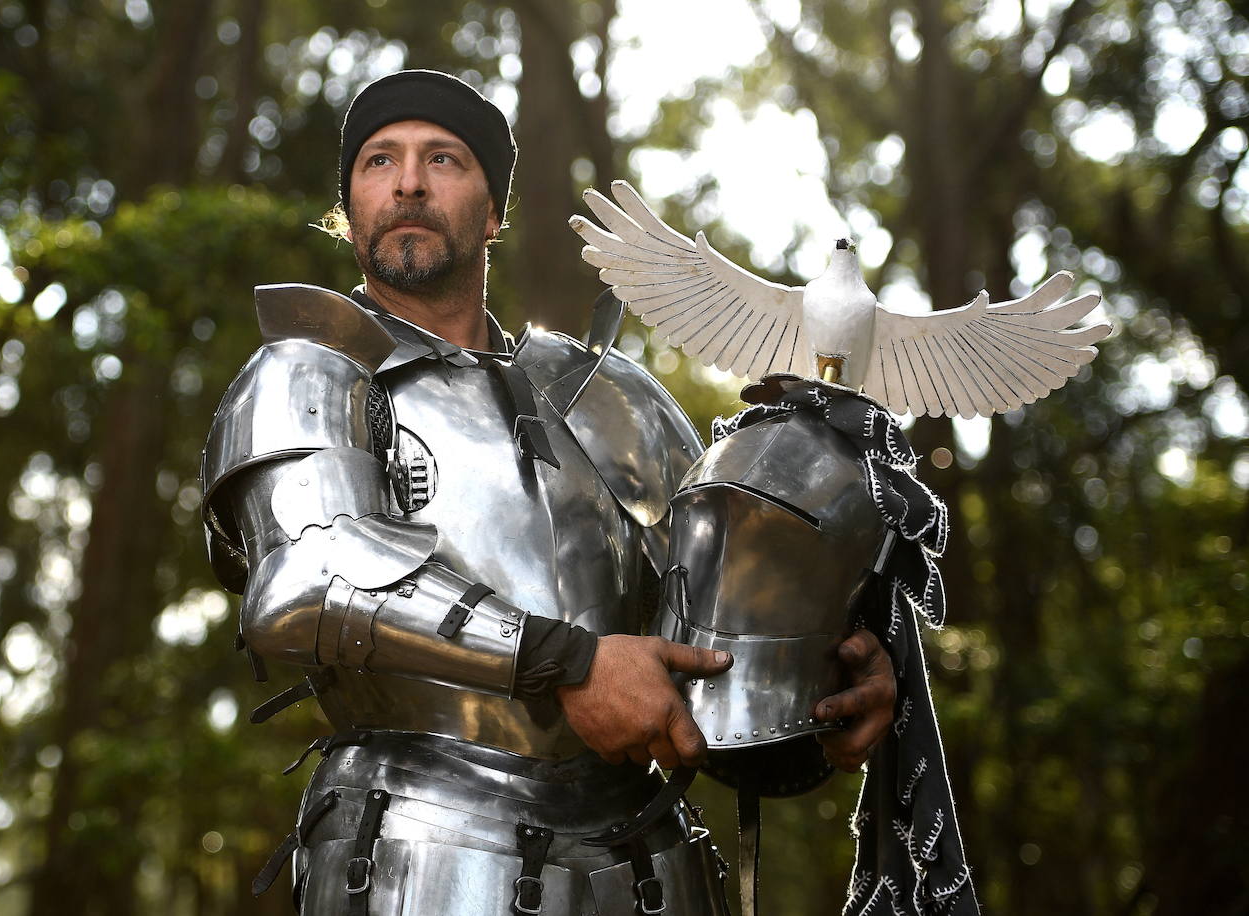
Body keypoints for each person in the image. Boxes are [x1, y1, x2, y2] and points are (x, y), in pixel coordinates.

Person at [199, 69, 897, 915]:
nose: (409, 182)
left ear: (494, 213)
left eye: (443, 159)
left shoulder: (608, 393)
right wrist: (569, 663)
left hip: (648, 869)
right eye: (380, 161)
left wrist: (824, 695)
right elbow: (306, 583)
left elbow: (711, 648)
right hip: (419, 859)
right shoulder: (307, 371)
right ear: (349, 208)